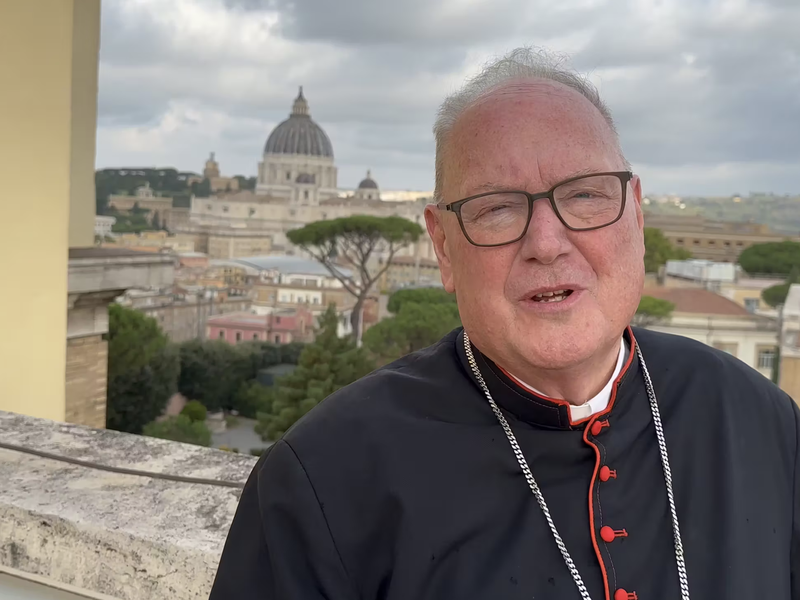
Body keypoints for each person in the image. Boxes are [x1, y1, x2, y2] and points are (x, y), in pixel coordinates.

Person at [209, 47, 799, 600]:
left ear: (636, 215)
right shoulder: (317, 483)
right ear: (442, 247)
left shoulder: (762, 418)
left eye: (587, 196)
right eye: (496, 207)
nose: (547, 243)